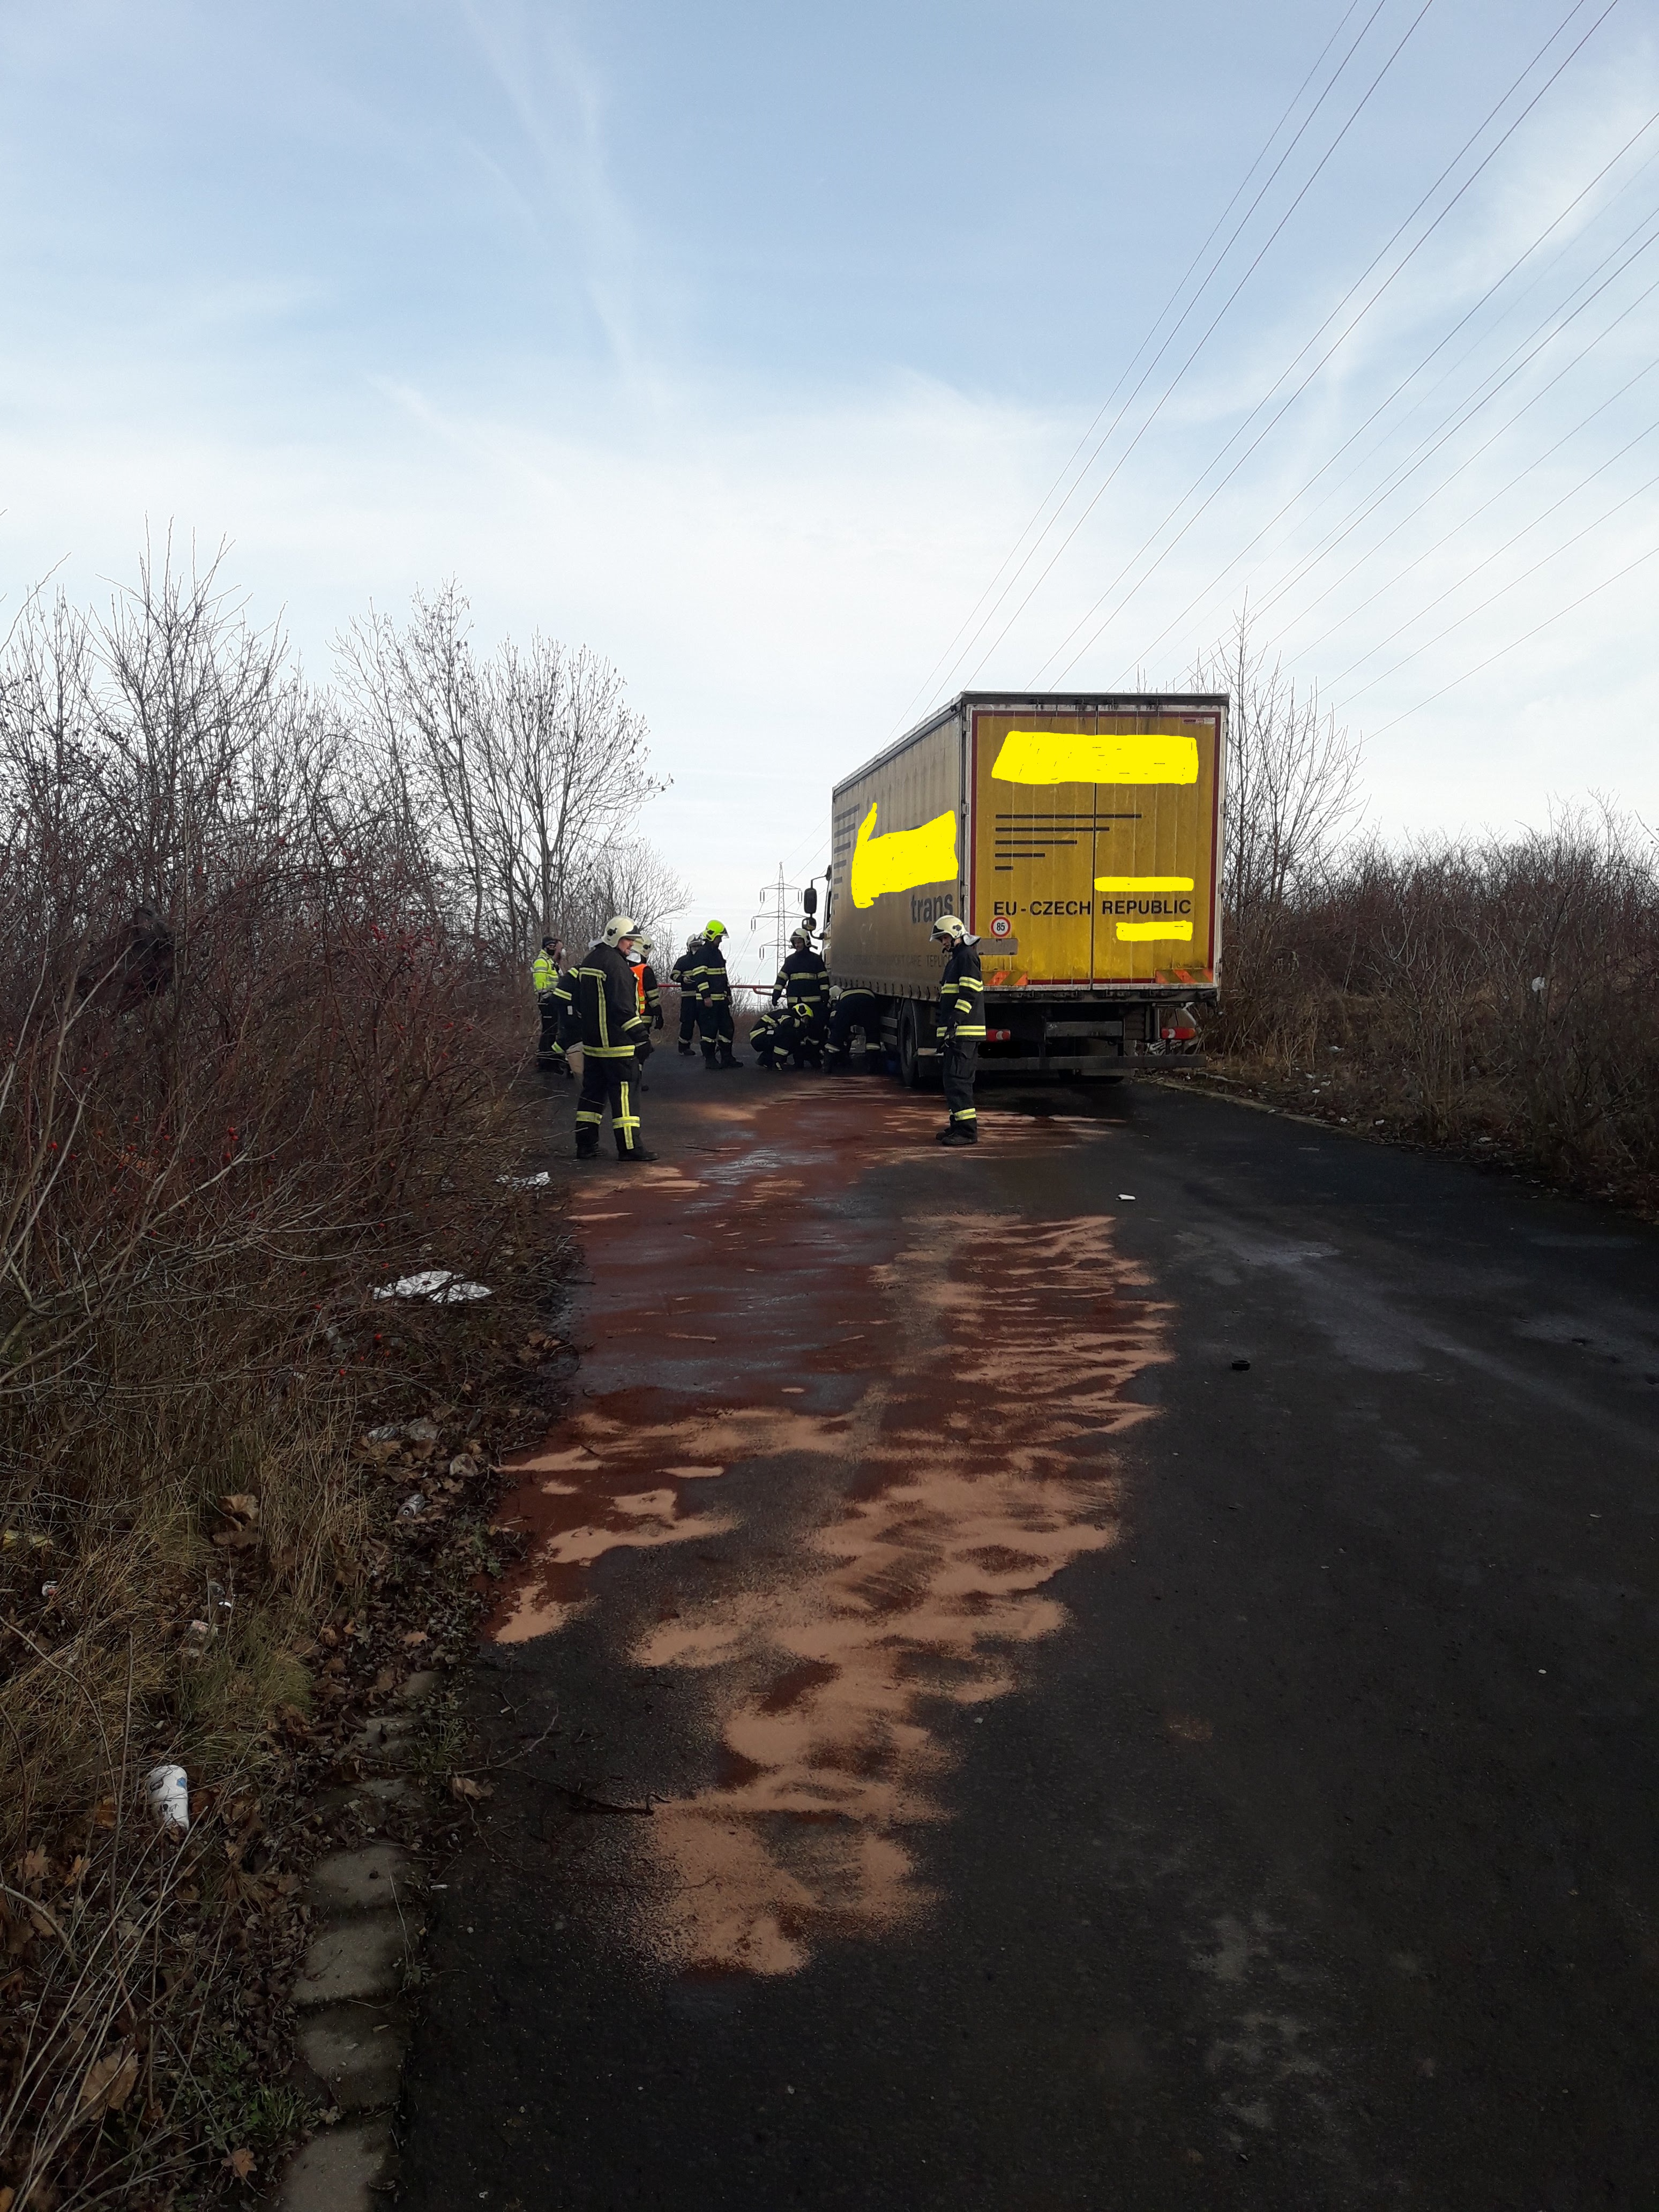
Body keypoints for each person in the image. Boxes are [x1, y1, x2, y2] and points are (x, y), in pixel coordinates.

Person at [573, 916, 654, 1162]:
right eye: (629, 940)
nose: (631, 945)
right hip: (617, 1047)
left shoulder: (590, 961)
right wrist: (641, 1037)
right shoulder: (616, 966)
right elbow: (623, 1008)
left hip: (593, 1046)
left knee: (591, 1096)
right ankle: (630, 1148)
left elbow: (578, 1005)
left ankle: (586, 1146)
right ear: (617, 938)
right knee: (625, 1097)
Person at [931, 914, 984, 1146]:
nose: (943, 943)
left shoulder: (966, 957)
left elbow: (969, 992)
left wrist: (955, 1021)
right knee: (952, 1080)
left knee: (959, 1080)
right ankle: (957, 1126)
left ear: (955, 934)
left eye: (944, 938)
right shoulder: (958, 957)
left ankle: (967, 1131)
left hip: (963, 1032)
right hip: (957, 1033)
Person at [693, 920, 743, 1071]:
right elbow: (700, 977)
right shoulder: (703, 953)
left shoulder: (717, 953)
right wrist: (706, 996)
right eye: (719, 937)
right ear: (712, 935)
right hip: (708, 1001)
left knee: (728, 1028)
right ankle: (710, 1060)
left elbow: (723, 976)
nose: (720, 940)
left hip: (721, 1000)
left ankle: (727, 1058)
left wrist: (728, 993)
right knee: (709, 1031)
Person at [772, 929, 831, 1053]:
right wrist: (776, 994)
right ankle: (799, 1058)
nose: (798, 945)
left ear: (806, 942)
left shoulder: (816, 960)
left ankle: (814, 1056)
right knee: (797, 1031)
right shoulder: (790, 961)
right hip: (795, 1005)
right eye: (796, 943)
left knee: (815, 1030)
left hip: (814, 1004)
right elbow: (782, 978)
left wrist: (825, 994)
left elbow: (823, 979)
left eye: (800, 942)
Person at [532, 935, 572, 1076]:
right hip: (547, 1001)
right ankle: (546, 1062)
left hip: (554, 1000)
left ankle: (551, 1061)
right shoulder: (542, 961)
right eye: (550, 947)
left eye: (554, 947)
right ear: (545, 947)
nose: (553, 949)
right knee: (549, 1032)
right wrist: (548, 997)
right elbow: (541, 982)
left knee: (553, 1031)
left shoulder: (551, 962)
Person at [824, 985, 881, 1070]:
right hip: (868, 999)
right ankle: (872, 1065)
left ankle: (827, 1066)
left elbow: (836, 1024)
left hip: (848, 1004)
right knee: (872, 1033)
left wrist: (845, 1035)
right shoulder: (842, 995)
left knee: (837, 1035)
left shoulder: (840, 1004)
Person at [670, 935, 703, 1056]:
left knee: (705, 1023)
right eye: (694, 946)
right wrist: (683, 979)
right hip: (688, 997)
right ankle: (684, 1047)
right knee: (687, 1022)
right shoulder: (683, 961)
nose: (697, 949)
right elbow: (673, 975)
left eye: (699, 946)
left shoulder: (705, 960)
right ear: (689, 947)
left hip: (703, 997)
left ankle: (707, 1048)